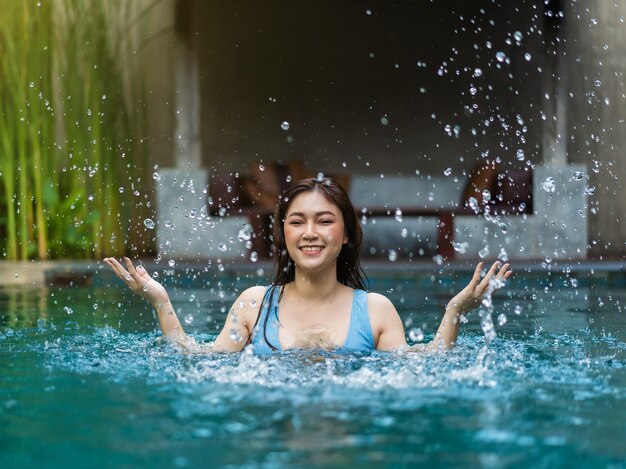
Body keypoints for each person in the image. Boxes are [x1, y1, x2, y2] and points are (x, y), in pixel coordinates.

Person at [104, 177, 511, 354]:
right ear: (282, 234)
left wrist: (454, 312)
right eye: (297, 222)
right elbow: (199, 360)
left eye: (325, 221)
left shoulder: (374, 310)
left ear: (346, 234)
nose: (310, 233)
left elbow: (421, 371)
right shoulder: (254, 305)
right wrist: (160, 301)